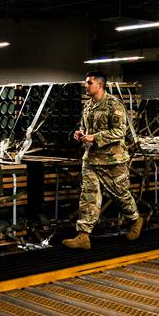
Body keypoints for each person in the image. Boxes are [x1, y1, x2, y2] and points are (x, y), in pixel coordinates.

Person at [62, 71, 143, 249]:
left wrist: (95, 137)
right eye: (86, 83)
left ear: (100, 85)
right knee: (88, 195)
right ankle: (83, 235)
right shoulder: (88, 106)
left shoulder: (114, 104)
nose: (86, 86)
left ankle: (135, 220)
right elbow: (85, 127)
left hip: (112, 161)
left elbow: (120, 132)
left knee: (120, 194)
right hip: (91, 159)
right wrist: (80, 134)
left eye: (89, 83)